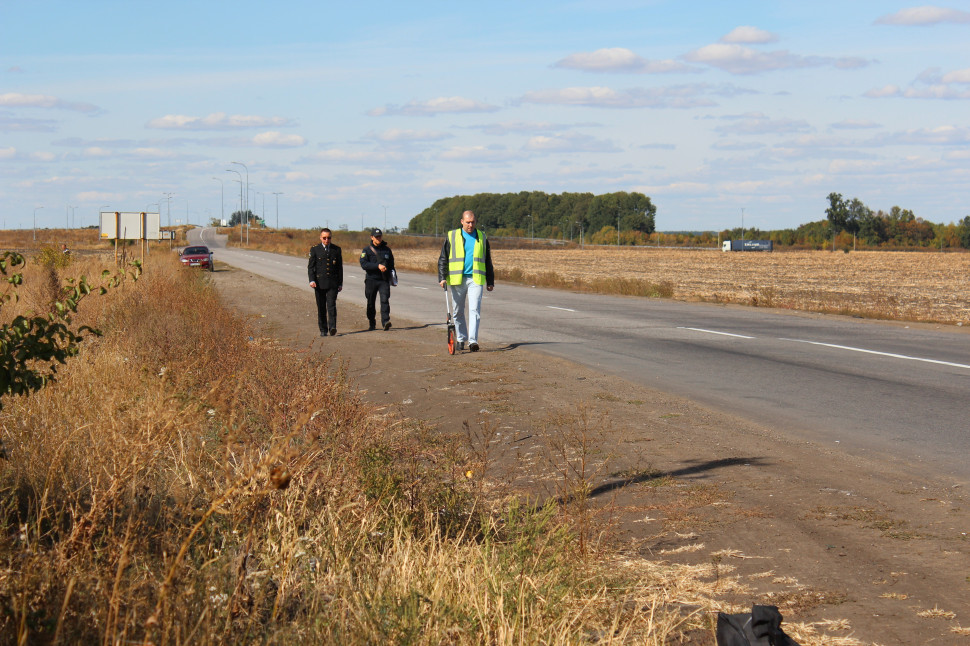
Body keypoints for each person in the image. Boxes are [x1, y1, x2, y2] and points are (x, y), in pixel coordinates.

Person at [437, 210, 495, 352]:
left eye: (473, 222)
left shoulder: (482, 236)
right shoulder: (452, 236)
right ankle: (461, 338)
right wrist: (442, 277)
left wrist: (490, 280)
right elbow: (443, 258)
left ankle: (473, 341)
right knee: (458, 311)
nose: (470, 225)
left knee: (475, 309)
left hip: (476, 278)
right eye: (468, 222)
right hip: (457, 279)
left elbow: (487, 260)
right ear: (462, 221)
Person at [307, 228, 343, 336]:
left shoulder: (336, 249)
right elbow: (311, 267)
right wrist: (312, 280)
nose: (327, 240)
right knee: (321, 307)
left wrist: (340, 283)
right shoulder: (315, 250)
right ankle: (323, 329)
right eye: (324, 238)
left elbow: (339, 268)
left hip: (332, 283)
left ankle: (332, 327)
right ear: (320, 238)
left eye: (329, 238)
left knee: (331, 305)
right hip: (319, 283)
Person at [359, 228, 395, 331]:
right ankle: (372, 322)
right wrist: (377, 266)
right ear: (372, 237)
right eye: (376, 237)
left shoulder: (387, 250)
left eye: (380, 236)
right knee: (370, 302)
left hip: (383, 280)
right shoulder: (367, 250)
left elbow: (392, 264)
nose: (379, 238)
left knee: (384, 300)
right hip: (371, 279)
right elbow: (364, 264)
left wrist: (392, 276)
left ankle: (385, 322)